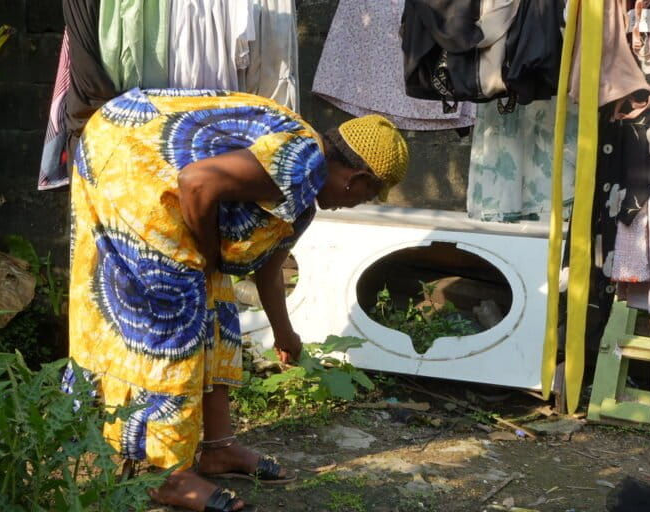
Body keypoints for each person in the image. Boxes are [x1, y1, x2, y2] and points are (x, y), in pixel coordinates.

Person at [65, 87, 408, 511]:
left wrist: (286, 334)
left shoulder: (304, 196)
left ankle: (217, 447)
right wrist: (207, 255)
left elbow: (269, 268)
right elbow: (196, 182)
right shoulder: (302, 159)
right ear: (353, 180)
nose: (355, 204)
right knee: (174, 308)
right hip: (125, 158)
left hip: (129, 144)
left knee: (217, 302)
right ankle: (166, 474)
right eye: (367, 195)